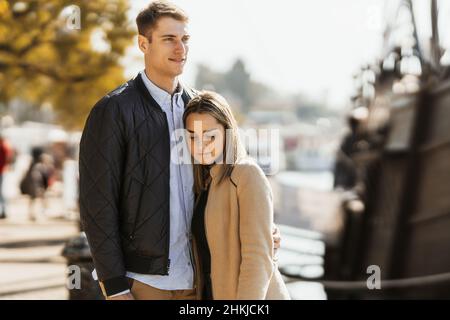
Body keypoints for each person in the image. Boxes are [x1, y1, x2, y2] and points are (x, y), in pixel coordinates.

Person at [79, 1, 281, 300]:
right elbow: (98, 205)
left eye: (185, 39)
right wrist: (115, 286)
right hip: (144, 282)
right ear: (143, 43)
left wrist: (265, 231)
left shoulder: (200, 108)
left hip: (201, 278)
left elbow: (231, 177)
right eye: (169, 39)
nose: (180, 48)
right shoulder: (114, 111)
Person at [183, 91, 290, 300]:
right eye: (192, 136)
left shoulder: (247, 174)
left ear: (228, 132)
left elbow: (258, 258)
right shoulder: (206, 181)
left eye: (210, 136)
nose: (200, 145)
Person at [0, 135, 13, 219]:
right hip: (2, 171)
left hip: (2, 171)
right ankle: (4, 210)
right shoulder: (5, 146)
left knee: (2, 192)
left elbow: (9, 158)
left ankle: (4, 210)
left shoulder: (4, 146)